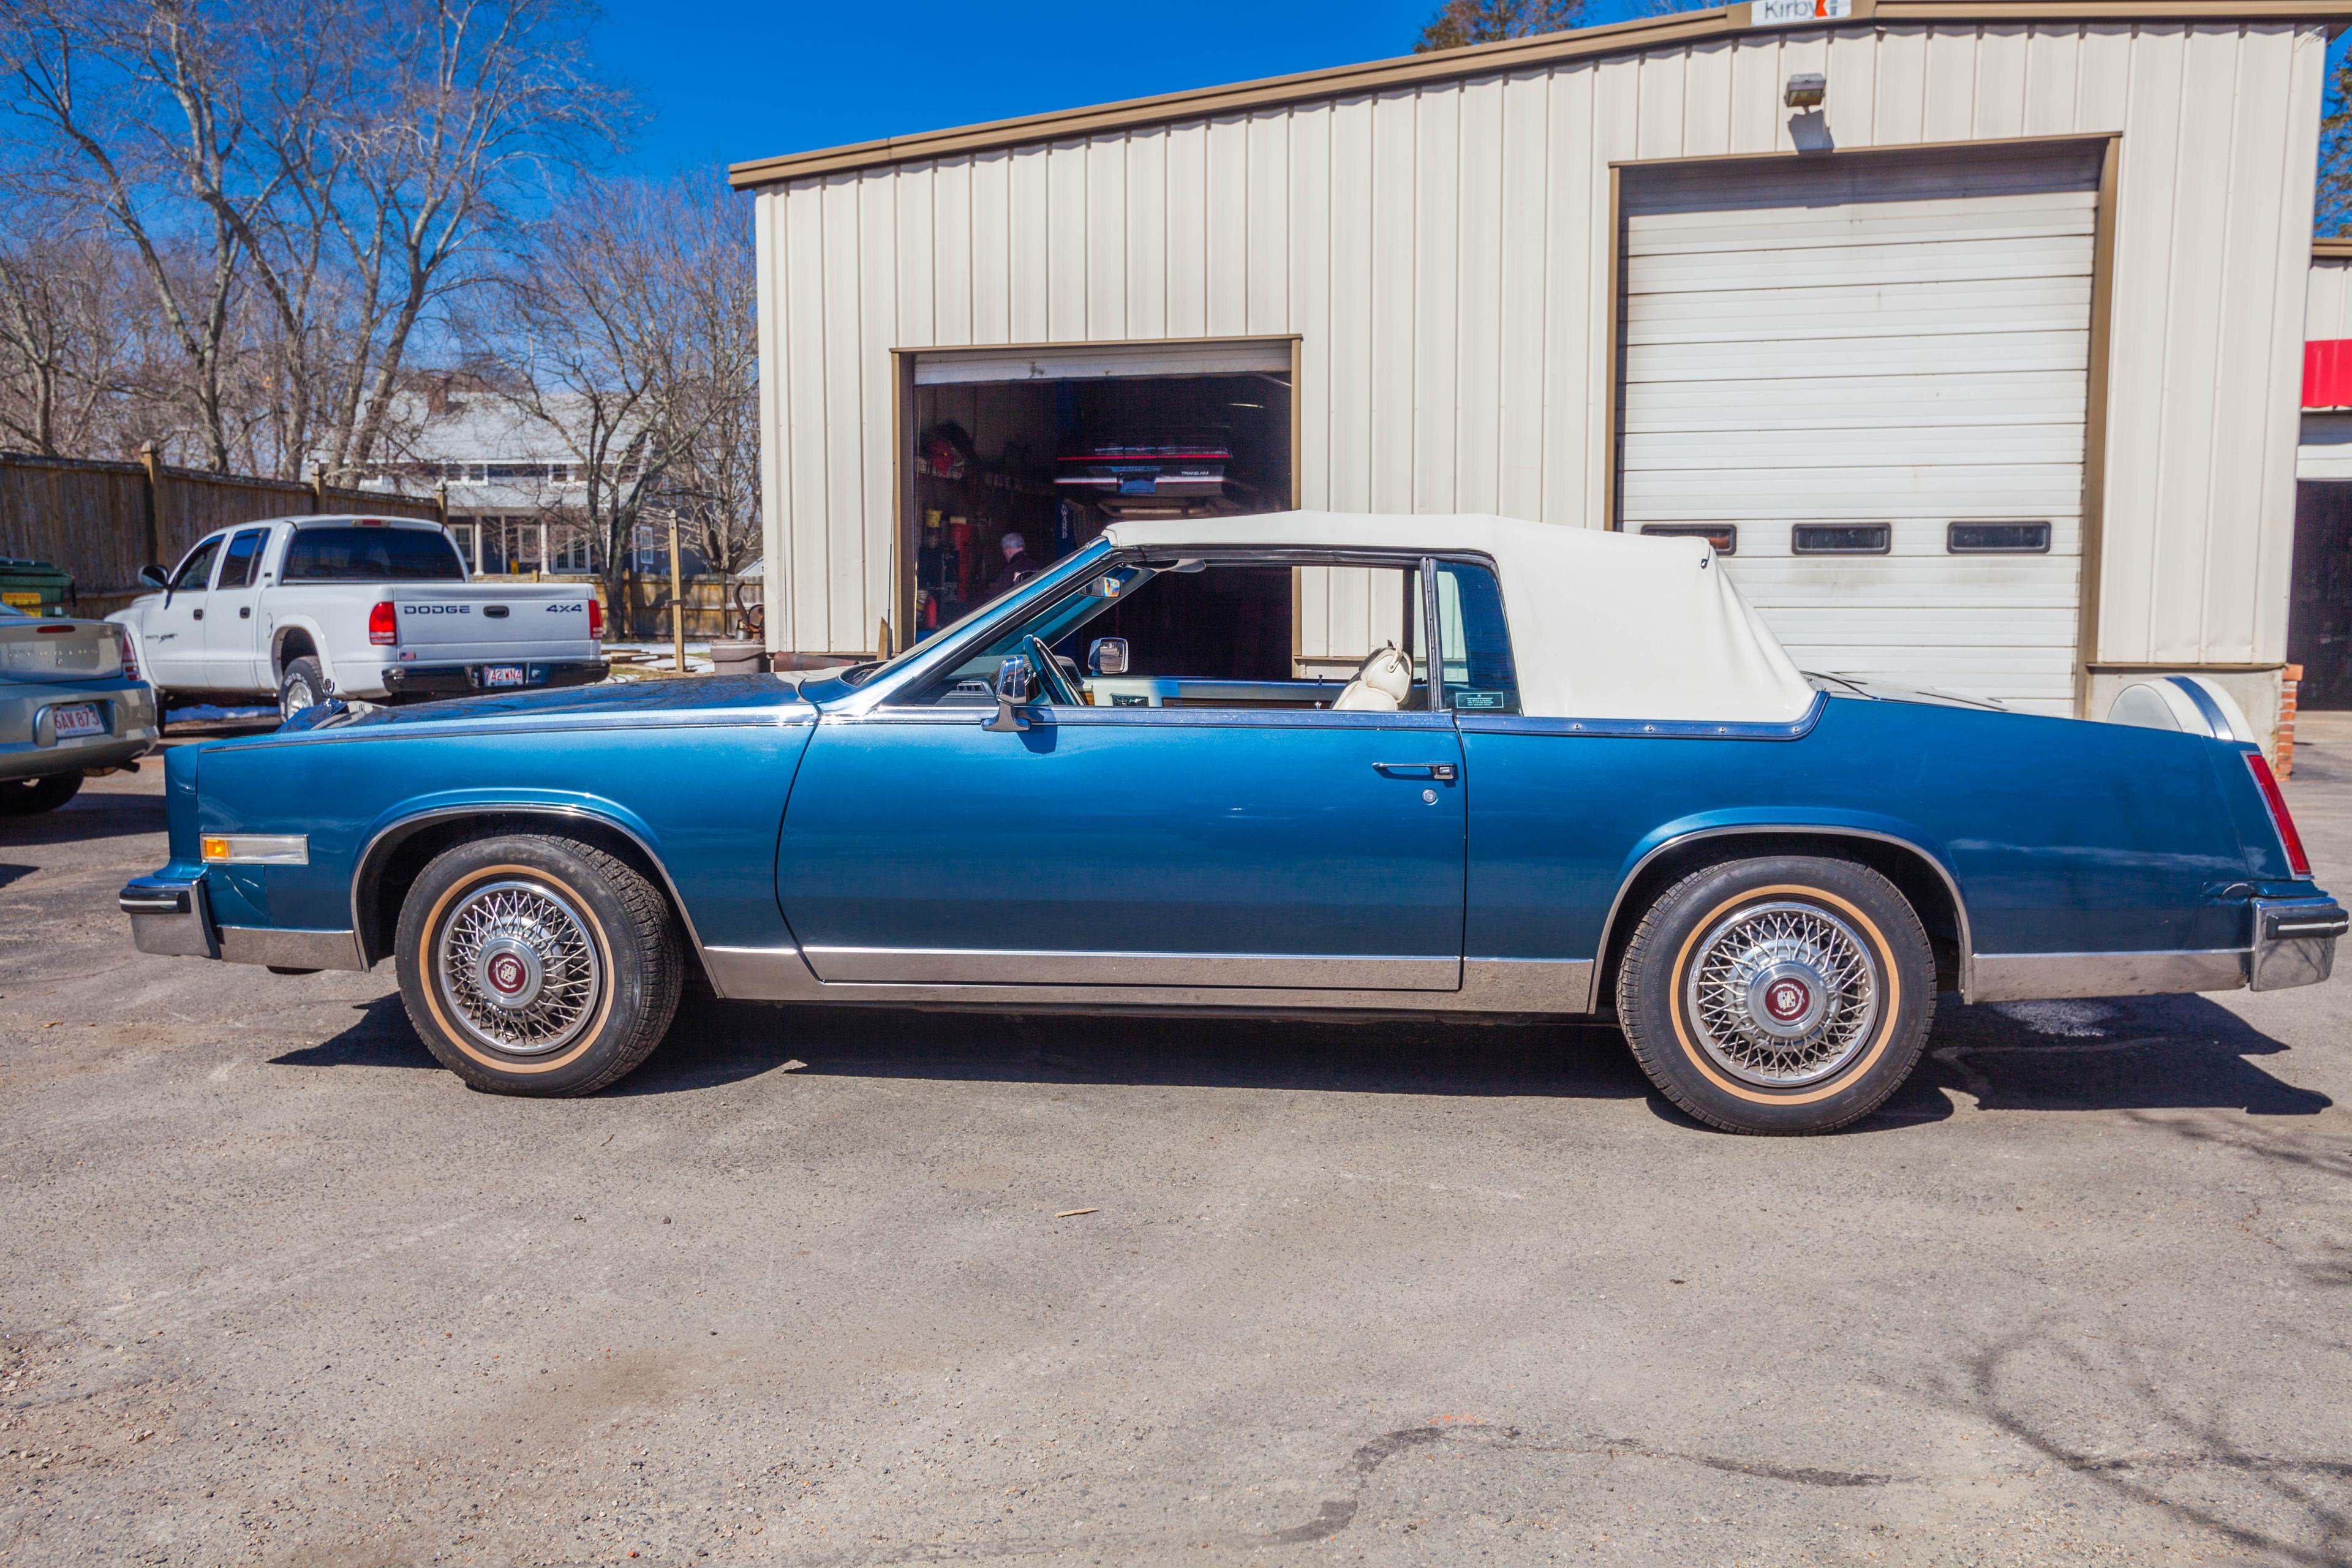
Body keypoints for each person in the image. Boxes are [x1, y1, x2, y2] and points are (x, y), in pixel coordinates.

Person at [986, 530, 1038, 600]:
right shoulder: (1039, 566)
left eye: (1004, 550)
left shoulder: (1009, 572)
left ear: (1008, 550)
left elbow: (997, 601)